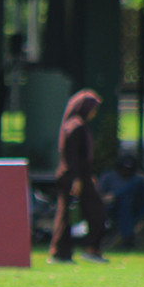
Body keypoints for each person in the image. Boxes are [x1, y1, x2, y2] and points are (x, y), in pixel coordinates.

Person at [48, 89, 108, 264]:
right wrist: (77, 179)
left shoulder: (72, 124)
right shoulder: (76, 126)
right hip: (75, 177)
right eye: (93, 109)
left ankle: (62, 252)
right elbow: (73, 155)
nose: (94, 113)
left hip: (75, 176)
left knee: (66, 214)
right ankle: (88, 249)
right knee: (96, 212)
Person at [99, 154, 144, 249]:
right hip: (111, 208)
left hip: (133, 208)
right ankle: (127, 236)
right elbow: (101, 194)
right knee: (122, 203)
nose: (126, 171)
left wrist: (115, 196)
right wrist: (107, 199)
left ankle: (127, 237)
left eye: (129, 169)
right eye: (124, 168)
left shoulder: (136, 180)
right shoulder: (108, 177)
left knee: (125, 201)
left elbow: (143, 198)